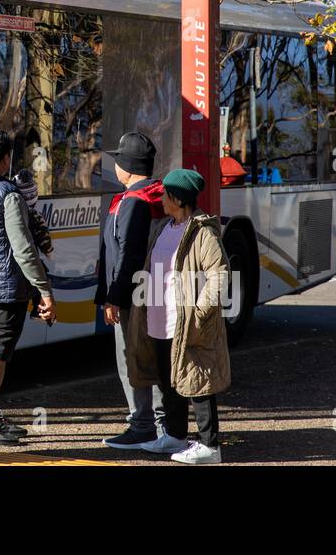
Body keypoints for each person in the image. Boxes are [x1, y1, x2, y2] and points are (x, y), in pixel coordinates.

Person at [126, 168, 232, 464]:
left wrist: (200, 312)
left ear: (178, 198)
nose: (160, 199)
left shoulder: (202, 231)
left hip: (188, 322)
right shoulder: (163, 227)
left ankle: (211, 446)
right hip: (160, 320)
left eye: (165, 195)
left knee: (198, 382)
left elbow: (220, 275)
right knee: (168, 380)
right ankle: (174, 436)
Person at [0, 128, 55, 447]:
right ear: (6, 160)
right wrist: (43, 289)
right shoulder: (8, 193)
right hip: (5, 289)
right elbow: (23, 247)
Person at [95, 131, 168, 450]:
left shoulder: (133, 202)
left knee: (131, 359)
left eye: (117, 161)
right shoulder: (159, 195)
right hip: (154, 292)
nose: (114, 167)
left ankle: (142, 425)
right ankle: (165, 423)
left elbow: (127, 253)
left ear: (127, 165)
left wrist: (113, 296)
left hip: (133, 297)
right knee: (153, 356)